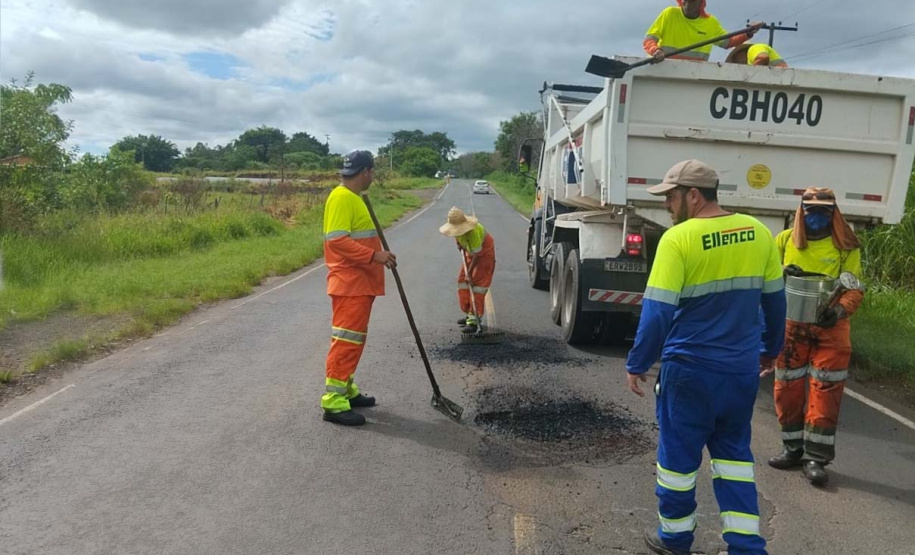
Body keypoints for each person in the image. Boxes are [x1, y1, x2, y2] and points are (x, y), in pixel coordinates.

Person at [625, 160, 786, 555]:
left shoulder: (678, 240)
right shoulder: (759, 233)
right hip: (740, 373)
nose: (666, 205)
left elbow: (657, 312)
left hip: (690, 373)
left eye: (671, 197)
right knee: (734, 460)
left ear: (693, 195)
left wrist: (638, 362)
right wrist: (770, 350)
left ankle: (675, 539)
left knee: (677, 464)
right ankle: (746, 546)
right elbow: (776, 302)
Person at [765, 188, 863, 486]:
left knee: (825, 390)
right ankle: (792, 448)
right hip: (792, 327)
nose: (817, 217)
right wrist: (783, 270)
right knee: (787, 388)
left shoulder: (845, 245)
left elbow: (855, 287)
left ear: (833, 213)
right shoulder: (785, 240)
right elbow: (765, 274)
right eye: (811, 211)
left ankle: (816, 458)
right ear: (801, 212)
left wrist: (839, 311)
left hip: (830, 329)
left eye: (824, 211)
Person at [321, 150, 397, 426]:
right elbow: (337, 241)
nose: (373, 176)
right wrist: (374, 256)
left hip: (361, 283)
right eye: (372, 171)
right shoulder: (341, 197)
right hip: (350, 283)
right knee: (346, 340)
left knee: (355, 340)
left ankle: (346, 389)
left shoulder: (354, 197)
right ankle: (334, 402)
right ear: (365, 171)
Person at [644, 0, 764, 62]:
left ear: (701, 3)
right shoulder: (670, 13)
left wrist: (748, 33)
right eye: (685, 0)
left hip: (695, 74)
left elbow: (728, 42)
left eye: (692, 1)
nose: (687, 3)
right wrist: (656, 50)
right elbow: (649, 39)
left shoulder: (710, 22)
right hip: (664, 69)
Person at [439, 207, 496, 334]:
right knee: (462, 282)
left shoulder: (473, 231)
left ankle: (474, 321)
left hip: (484, 255)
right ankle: (469, 314)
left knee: (477, 287)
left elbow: (477, 255)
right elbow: (458, 238)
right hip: (471, 253)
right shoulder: (457, 231)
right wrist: (459, 245)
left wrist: (469, 273)